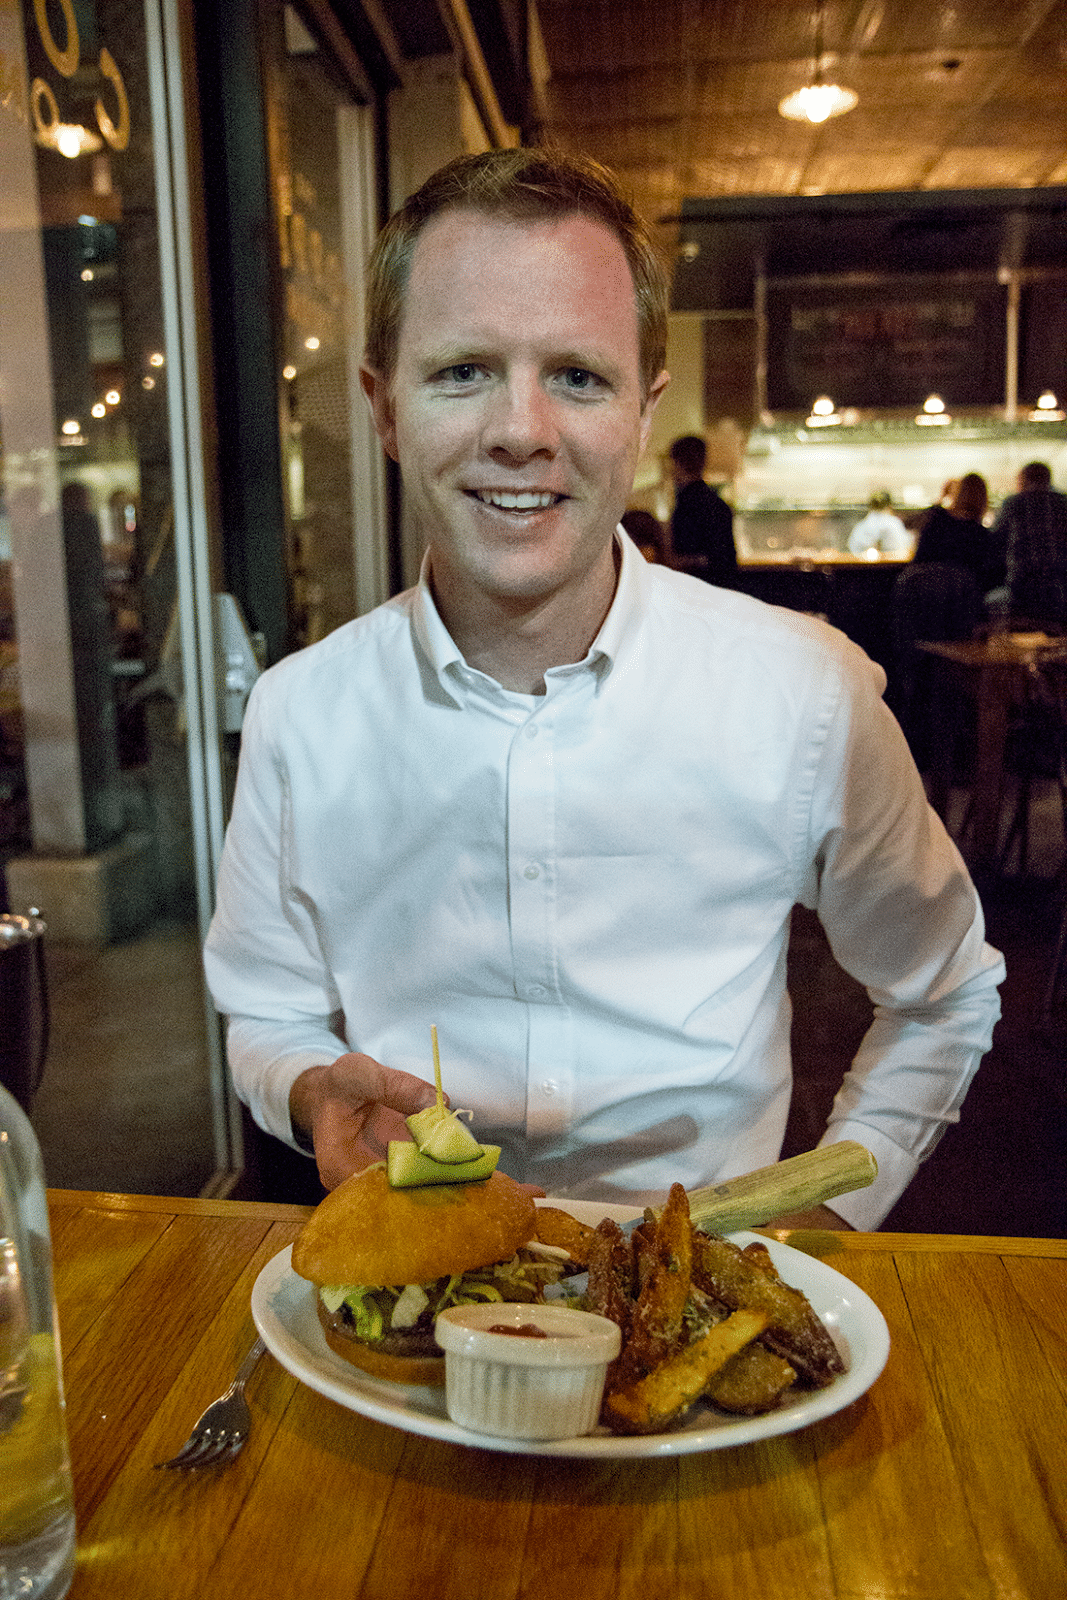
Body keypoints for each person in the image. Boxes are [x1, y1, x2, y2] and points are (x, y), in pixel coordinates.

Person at [204, 147, 1004, 1231]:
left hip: (710, 1305)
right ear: (383, 409)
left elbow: (942, 989)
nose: (521, 430)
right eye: (461, 372)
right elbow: (265, 1004)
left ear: (640, 411)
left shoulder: (802, 693)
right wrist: (307, 1086)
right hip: (421, 1288)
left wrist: (828, 1211)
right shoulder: (301, 715)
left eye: (576, 376)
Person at [987, 461, 1067, 625]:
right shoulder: (1063, 503)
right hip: (1059, 581)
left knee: (1021, 625)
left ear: (1023, 480)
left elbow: (995, 540)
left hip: (1022, 581)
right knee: (1056, 626)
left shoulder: (1014, 503)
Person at [667, 435, 738, 586]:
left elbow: (685, 556)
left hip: (694, 588)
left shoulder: (686, 504)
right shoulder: (718, 504)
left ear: (678, 464)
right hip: (719, 590)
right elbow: (727, 558)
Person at [911, 473, 1001, 593]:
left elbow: (919, 559)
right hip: (960, 602)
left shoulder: (936, 519)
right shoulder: (981, 535)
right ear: (984, 499)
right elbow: (987, 578)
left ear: (958, 494)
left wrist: (942, 498)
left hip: (922, 595)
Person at [847, 492, 911, 558]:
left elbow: (852, 548)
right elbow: (903, 547)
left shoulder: (862, 525)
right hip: (892, 565)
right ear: (890, 506)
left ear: (870, 506)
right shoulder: (894, 523)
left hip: (862, 566)